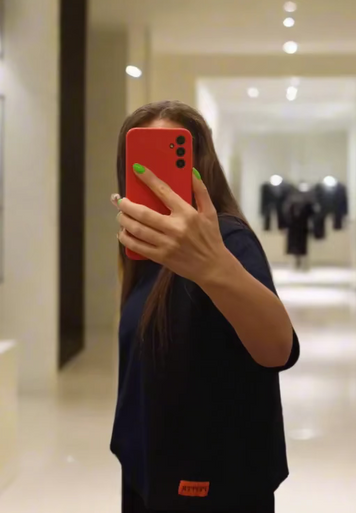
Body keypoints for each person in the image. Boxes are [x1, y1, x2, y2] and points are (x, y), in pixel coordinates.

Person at [110, 101, 300, 513]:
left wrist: (212, 266)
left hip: (209, 486)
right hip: (149, 472)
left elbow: (278, 348)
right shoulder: (146, 250)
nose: (156, 179)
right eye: (141, 165)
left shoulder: (228, 241)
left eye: (170, 160)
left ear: (200, 167)